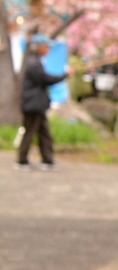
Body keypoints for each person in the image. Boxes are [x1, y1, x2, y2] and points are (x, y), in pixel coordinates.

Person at [15, 34, 68, 171]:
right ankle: (22, 160)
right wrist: (64, 75)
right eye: (46, 46)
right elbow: (45, 79)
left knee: (43, 132)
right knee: (30, 131)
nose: (48, 49)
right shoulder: (33, 62)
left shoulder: (34, 60)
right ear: (38, 47)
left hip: (36, 103)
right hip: (33, 104)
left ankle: (47, 159)